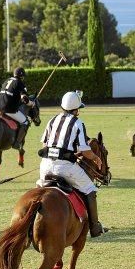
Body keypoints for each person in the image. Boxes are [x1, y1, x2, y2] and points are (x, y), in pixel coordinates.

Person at [36, 91, 107, 238]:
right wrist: (95, 158)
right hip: (64, 167)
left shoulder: (52, 120)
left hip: (45, 166)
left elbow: (45, 144)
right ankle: (95, 227)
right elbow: (84, 150)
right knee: (90, 189)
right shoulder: (77, 123)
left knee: (39, 191)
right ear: (76, 109)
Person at [0, 67, 34, 149]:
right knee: (25, 122)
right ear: (22, 76)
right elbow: (25, 99)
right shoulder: (20, 83)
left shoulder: (7, 80)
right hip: (8, 108)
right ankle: (17, 143)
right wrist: (31, 103)